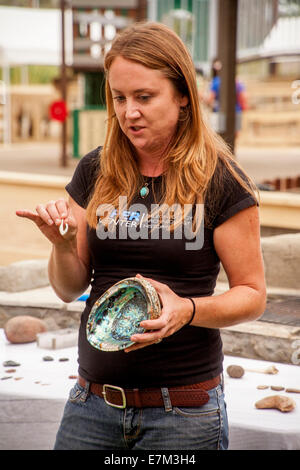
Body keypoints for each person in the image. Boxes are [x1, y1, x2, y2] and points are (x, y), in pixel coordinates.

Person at [16, 22, 266, 450]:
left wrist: (185, 310)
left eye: (144, 97)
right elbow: (68, 287)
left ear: (183, 95)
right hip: (91, 403)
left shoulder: (222, 180)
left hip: (184, 410)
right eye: (119, 98)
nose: (128, 111)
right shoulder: (95, 170)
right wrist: (60, 244)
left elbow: (252, 294)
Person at [205, 58, 248, 133]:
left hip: (219, 112)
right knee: (235, 135)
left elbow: (209, 99)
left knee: (219, 136)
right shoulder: (238, 82)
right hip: (236, 112)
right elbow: (243, 98)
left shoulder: (216, 82)